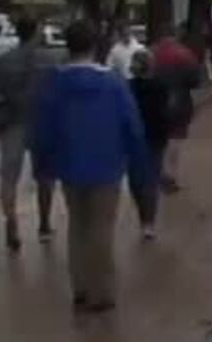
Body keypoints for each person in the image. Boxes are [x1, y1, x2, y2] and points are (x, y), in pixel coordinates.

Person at [30, 20, 151, 316]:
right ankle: (102, 290)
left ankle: (81, 288)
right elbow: (132, 126)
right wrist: (139, 163)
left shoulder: (54, 84)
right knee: (102, 227)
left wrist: (43, 163)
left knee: (77, 225)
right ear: (96, 46)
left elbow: (42, 128)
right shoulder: (113, 83)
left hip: (69, 164)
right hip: (107, 164)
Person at [0, 14, 59, 251]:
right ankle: (44, 225)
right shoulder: (49, 60)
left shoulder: (2, 61)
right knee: (45, 176)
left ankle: (11, 221)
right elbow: (56, 94)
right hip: (41, 123)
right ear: (36, 31)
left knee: (9, 178)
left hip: (12, 123)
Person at [127, 50, 171, 241]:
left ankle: (147, 221)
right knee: (141, 181)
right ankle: (146, 220)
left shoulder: (156, 86)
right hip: (144, 138)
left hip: (148, 138)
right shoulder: (130, 86)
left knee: (143, 181)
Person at [149, 29, 199, 191]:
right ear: (175, 36)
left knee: (158, 139)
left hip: (154, 102)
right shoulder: (185, 54)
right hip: (179, 101)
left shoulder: (150, 53)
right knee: (175, 138)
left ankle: (159, 171)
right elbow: (195, 81)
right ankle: (170, 174)